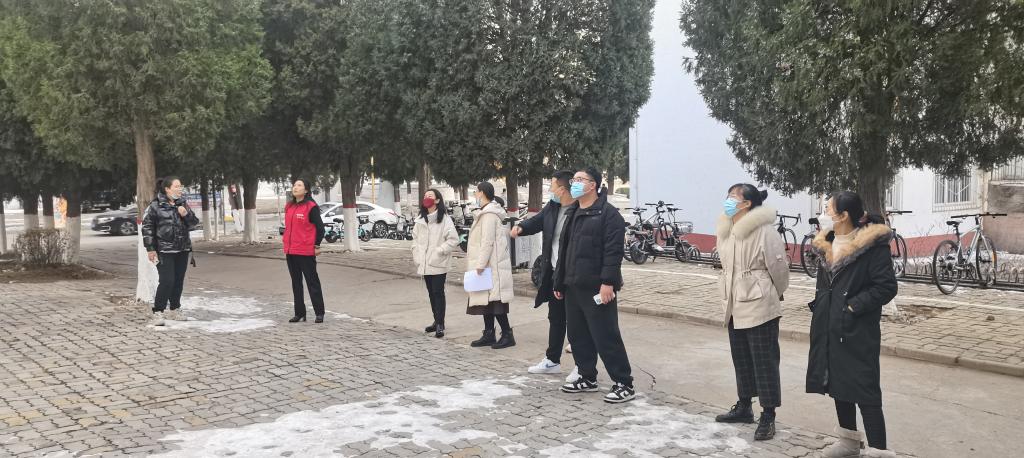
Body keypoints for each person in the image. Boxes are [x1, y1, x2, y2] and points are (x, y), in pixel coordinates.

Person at [807, 191, 898, 458]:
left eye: (828, 209)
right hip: (829, 324)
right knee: (838, 384)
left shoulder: (872, 246)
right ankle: (848, 442)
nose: (823, 214)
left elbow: (886, 287)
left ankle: (878, 450)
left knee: (866, 390)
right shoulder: (827, 242)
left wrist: (852, 307)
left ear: (843, 215)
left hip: (858, 328)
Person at [713, 184, 790, 441]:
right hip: (734, 303)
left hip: (759, 303)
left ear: (747, 204)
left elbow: (779, 268)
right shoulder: (726, 229)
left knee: (764, 361)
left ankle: (768, 415)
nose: (728, 201)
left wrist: (771, 293)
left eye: (733, 197)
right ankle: (744, 406)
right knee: (741, 357)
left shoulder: (764, 231)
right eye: (727, 196)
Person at [552, 167, 636, 404]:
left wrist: (608, 282)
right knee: (577, 335)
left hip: (597, 287)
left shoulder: (609, 215)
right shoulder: (573, 212)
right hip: (573, 285)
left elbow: (613, 252)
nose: (575, 183)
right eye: (574, 180)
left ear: (593, 185)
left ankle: (624, 383)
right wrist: (559, 281)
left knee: (606, 336)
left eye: (580, 180)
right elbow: (565, 251)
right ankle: (587, 376)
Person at [511, 171, 580, 378]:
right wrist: (521, 227)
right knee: (556, 318)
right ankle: (552, 361)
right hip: (555, 273)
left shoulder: (580, 210)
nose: (550, 190)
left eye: (552, 186)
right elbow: (538, 220)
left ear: (562, 189)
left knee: (577, 322)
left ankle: (582, 366)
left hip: (575, 275)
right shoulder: (553, 207)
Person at [142, 176, 200, 326]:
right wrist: (150, 249)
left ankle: (174, 309)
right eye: (176, 186)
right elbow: (147, 228)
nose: (180, 189)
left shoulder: (183, 203)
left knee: (178, 281)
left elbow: (194, 224)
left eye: (181, 186)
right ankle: (158, 311)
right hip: (164, 250)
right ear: (167, 189)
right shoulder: (155, 206)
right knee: (167, 281)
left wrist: (185, 214)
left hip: (182, 249)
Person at [465, 182, 516, 349]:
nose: (475, 195)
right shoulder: (485, 212)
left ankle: (507, 334)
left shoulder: (489, 215)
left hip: (491, 265)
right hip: (487, 265)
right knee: (484, 302)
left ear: (482, 193)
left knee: (496, 303)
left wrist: (480, 265)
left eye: (476, 192)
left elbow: (487, 242)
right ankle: (489, 333)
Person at [411, 189, 460, 338]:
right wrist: (416, 254)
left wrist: (440, 250)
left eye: (430, 196)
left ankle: (440, 324)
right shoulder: (420, 220)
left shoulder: (445, 219)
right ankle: (436, 320)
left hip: (438, 262)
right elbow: (415, 240)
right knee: (431, 293)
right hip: (425, 262)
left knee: (438, 292)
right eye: (425, 196)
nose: (427, 198)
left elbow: (453, 239)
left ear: (437, 200)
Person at [282, 179, 327, 323]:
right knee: (296, 283)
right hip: (291, 251)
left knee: (312, 282)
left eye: (299, 185)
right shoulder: (289, 206)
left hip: (306, 251)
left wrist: (316, 245)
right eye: (294, 185)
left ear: (306, 190)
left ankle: (319, 312)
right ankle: (300, 313)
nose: (295, 187)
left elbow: (320, 228)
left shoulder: (311, 206)